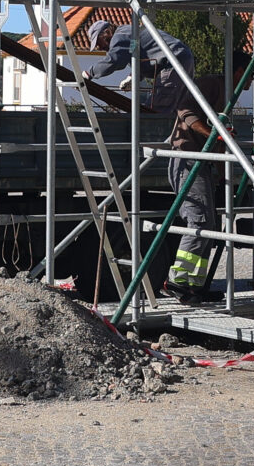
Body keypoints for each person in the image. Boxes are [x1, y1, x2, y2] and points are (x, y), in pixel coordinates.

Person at [161, 106, 225, 304]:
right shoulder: (211, 87)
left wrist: (223, 177)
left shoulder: (223, 96)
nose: (250, 82)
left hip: (200, 162)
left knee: (209, 225)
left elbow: (219, 147)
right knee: (199, 223)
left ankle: (195, 285)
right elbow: (185, 112)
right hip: (189, 162)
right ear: (239, 72)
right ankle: (177, 280)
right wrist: (216, 135)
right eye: (249, 77)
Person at [94, 21, 199, 114]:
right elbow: (137, 54)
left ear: (106, 33)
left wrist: (89, 73)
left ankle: (154, 135)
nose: (99, 47)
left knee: (155, 109)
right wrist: (132, 77)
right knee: (178, 108)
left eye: (98, 42)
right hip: (182, 58)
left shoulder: (120, 36)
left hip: (172, 62)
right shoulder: (129, 33)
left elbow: (114, 60)